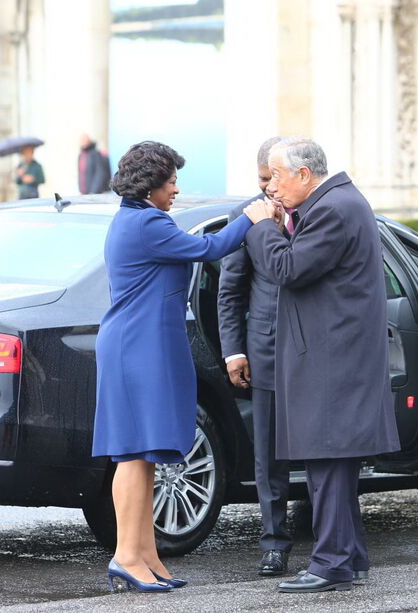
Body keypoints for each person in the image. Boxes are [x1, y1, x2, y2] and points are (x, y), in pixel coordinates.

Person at [92, 140, 264, 593]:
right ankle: (126, 556)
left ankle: (146, 554)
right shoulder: (146, 223)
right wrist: (251, 216)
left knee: (147, 454)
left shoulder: (140, 218)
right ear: (150, 186)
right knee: (132, 453)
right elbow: (211, 248)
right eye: (171, 182)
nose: (176, 190)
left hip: (148, 342)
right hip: (138, 346)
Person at [243, 137, 400, 593]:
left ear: (304, 175)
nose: (271, 187)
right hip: (338, 356)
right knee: (332, 464)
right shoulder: (340, 202)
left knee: (328, 462)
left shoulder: (333, 208)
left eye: (276, 177)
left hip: (334, 360)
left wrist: (261, 226)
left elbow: (288, 269)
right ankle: (349, 557)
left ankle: (331, 562)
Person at [217, 136, 294, 577]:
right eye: (262, 179)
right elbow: (230, 292)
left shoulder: (314, 209)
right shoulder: (245, 215)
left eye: (273, 178)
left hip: (314, 352)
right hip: (265, 348)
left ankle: (334, 538)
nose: (267, 188)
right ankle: (274, 542)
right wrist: (234, 352)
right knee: (269, 454)